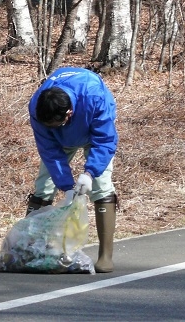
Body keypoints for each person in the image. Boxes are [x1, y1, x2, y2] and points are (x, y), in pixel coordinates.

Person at [26, 66, 119, 273]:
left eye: (56, 123)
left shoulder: (94, 96)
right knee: (44, 186)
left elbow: (105, 141)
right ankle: (28, 249)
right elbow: (49, 151)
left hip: (92, 133)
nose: (51, 126)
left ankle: (105, 256)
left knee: (101, 186)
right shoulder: (37, 107)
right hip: (59, 141)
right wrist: (66, 186)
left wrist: (90, 173)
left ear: (69, 113)